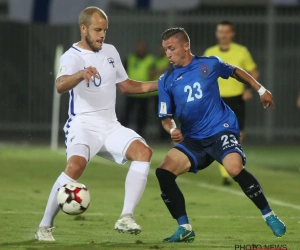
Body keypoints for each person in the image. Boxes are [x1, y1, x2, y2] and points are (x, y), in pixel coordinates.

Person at [35, 7, 157, 241]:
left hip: (110, 125)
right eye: (97, 30)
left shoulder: (110, 51)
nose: (102, 35)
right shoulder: (72, 56)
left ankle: (126, 216)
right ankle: (45, 225)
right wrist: (80, 74)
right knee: (75, 167)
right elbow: (60, 85)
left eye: (105, 30)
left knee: (144, 152)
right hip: (83, 124)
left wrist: (161, 84)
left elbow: (126, 86)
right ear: (84, 29)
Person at [155, 27, 286, 243]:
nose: (168, 54)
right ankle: (184, 227)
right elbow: (165, 117)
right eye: (165, 49)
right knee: (164, 172)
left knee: (234, 168)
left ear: (185, 46)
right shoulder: (165, 80)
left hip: (220, 129)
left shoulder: (209, 64)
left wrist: (260, 89)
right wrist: (171, 130)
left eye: (171, 48)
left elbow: (235, 70)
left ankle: (269, 215)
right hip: (194, 140)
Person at [204, 20, 259, 186]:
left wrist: (249, 89)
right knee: (217, 134)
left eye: (227, 32)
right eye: (221, 32)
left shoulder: (241, 52)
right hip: (217, 99)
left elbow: (253, 71)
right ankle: (226, 173)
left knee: (238, 135)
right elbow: (204, 74)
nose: (224, 35)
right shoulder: (210, 52)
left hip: (236, 98)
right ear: (217, 34)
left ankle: (233, 164)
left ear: (232, 34)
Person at [120, 40, 156, 139]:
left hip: (144, 93)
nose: (140, 49)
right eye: (139, 47)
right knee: (127, 115)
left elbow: (153, 73)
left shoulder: (150, 59)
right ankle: (123, 134)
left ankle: (140, 136)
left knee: (142, 117)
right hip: (131, 92)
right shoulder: (130, 58)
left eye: (142, 48)